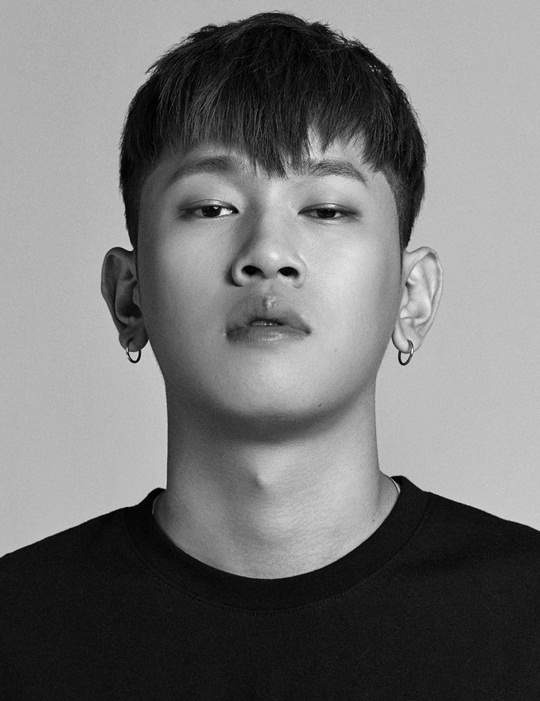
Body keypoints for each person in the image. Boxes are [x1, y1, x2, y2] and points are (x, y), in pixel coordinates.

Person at [2, 11, 538, 699]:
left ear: (412, 295)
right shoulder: (17, 630)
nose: (268, 254)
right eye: (211, 207)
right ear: (129, 297)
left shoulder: (525, 619)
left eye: (327, 210)